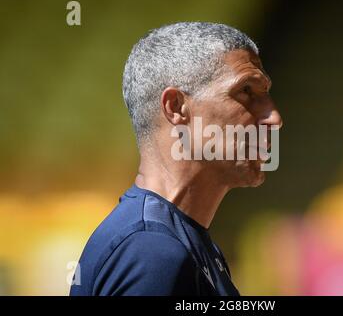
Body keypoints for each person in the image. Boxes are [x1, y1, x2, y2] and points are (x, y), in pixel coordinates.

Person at [70, 22, 283, 296]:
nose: (274, 118)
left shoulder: (184, 245)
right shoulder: (151, 251)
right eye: (246, 91)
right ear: (176, 107)